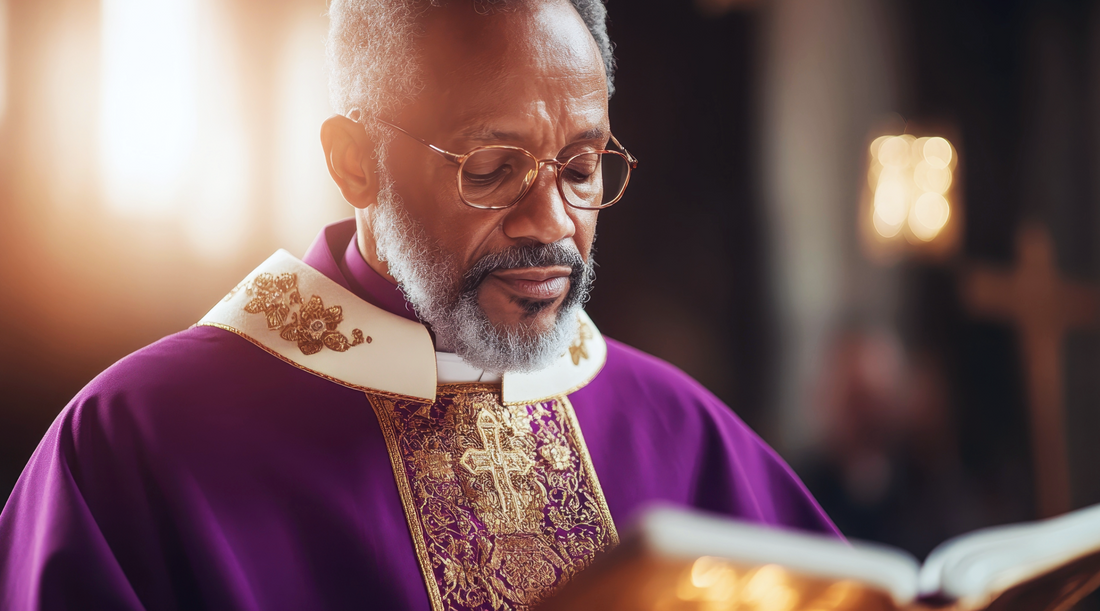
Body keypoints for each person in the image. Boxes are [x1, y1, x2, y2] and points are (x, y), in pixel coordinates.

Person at [0, 0, 838, 608]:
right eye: (491, 167)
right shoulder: (134, 444)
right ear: (356, 163)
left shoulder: (679, 431)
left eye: (581, 167)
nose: (551, 222)